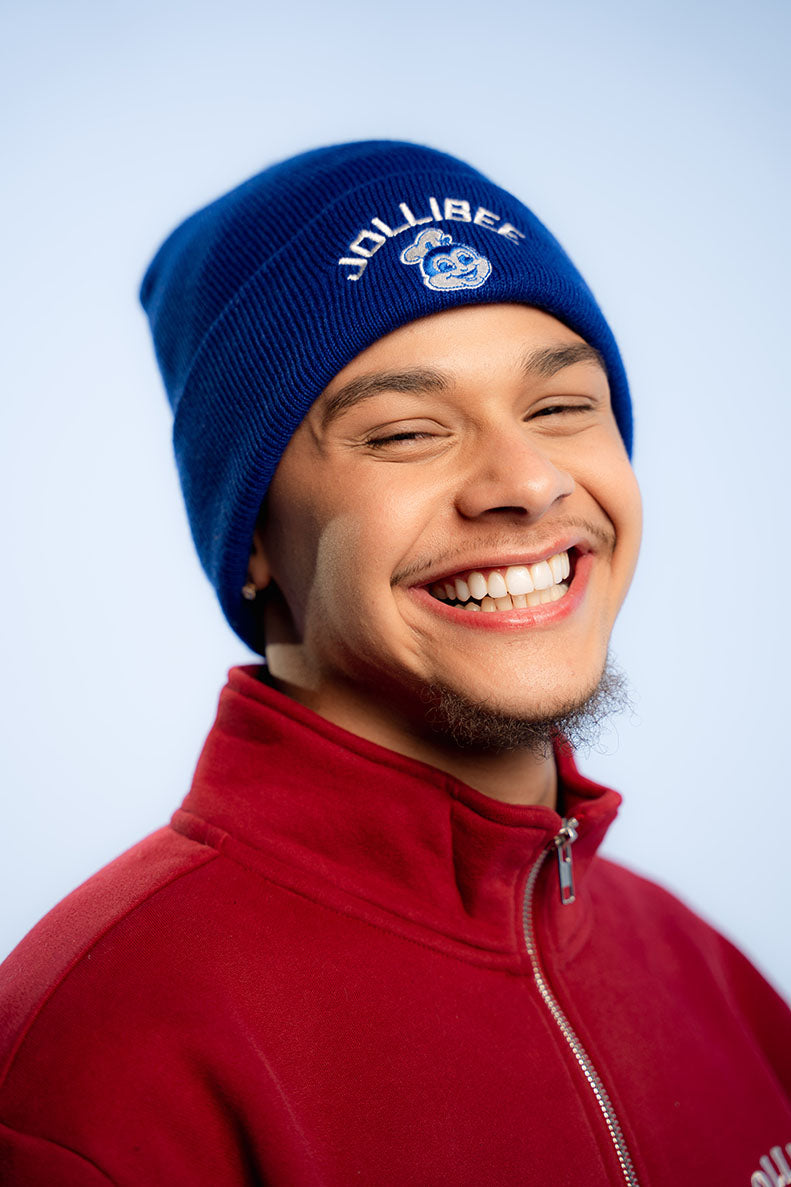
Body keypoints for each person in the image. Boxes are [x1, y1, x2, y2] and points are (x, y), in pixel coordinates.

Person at [0, 141, 789, 1187]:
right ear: (251, 538)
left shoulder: (715, 983)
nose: (527, 482)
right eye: (406, 432)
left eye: (560, 407)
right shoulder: (95, 1059)